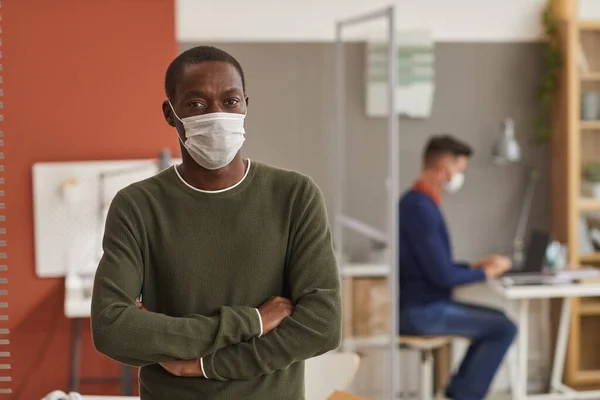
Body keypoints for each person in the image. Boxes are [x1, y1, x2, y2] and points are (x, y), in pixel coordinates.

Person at [91, 45, 342, 400]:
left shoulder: (294, 196)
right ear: (170, 113)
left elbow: (322, 326)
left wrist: (202, 365)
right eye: (196, 104)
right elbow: (112, 328)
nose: (217, 115)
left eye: (230, 101)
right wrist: (252, 321)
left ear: (246, 105)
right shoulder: (137, 206)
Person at [399, 135, 516, 400]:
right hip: (421, 312)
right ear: (443, 169)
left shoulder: (418, 203)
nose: (460, 177)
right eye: (460, 171)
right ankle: (461, 396)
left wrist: (474, 265)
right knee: (504, 327)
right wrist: (485, 272)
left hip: (421, 305)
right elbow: (442, 276)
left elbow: (433, 266)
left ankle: (459, 393)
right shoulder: (420, 208)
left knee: (500, 321)